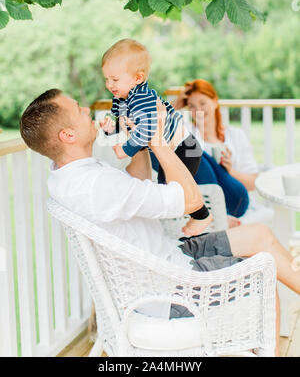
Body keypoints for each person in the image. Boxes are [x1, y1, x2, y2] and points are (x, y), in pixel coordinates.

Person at [19, 88, 300, 356]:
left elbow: (138, 182)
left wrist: (136, 140)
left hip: (167, 257)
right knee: (263, 274)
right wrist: (157, 141)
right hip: (171, 288)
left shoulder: (67, 175)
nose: (86, 109)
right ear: (67, 135)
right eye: (77, 109)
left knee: (260, 235)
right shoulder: (96, 186)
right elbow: (191, 200)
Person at [100, 38, 208, 231]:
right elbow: (124, 123)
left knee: (175, 190)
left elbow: (148, 129)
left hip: (184, 147)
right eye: (107, 79)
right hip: (170, 149)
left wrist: (126, 149)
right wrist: (110, 128)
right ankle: (174, 223)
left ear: (138, 78)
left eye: (115, 79)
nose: (110, 84)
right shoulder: (121, 98)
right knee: (166, 189)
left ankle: (202, 216)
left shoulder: (142, 98)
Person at [169, 79, 273, 227]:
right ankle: (214, 215)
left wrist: (230, 170)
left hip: (235, 200)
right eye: (191, 106)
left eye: (203, 103)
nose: (198, 110)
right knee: (188, 147)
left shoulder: (236, 136)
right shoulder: (185, 130)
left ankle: (217, 215)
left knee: (195, 151)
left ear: (215, 102)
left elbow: (252, 184)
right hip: (201, 201)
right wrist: (177, 104)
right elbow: (155, 127)